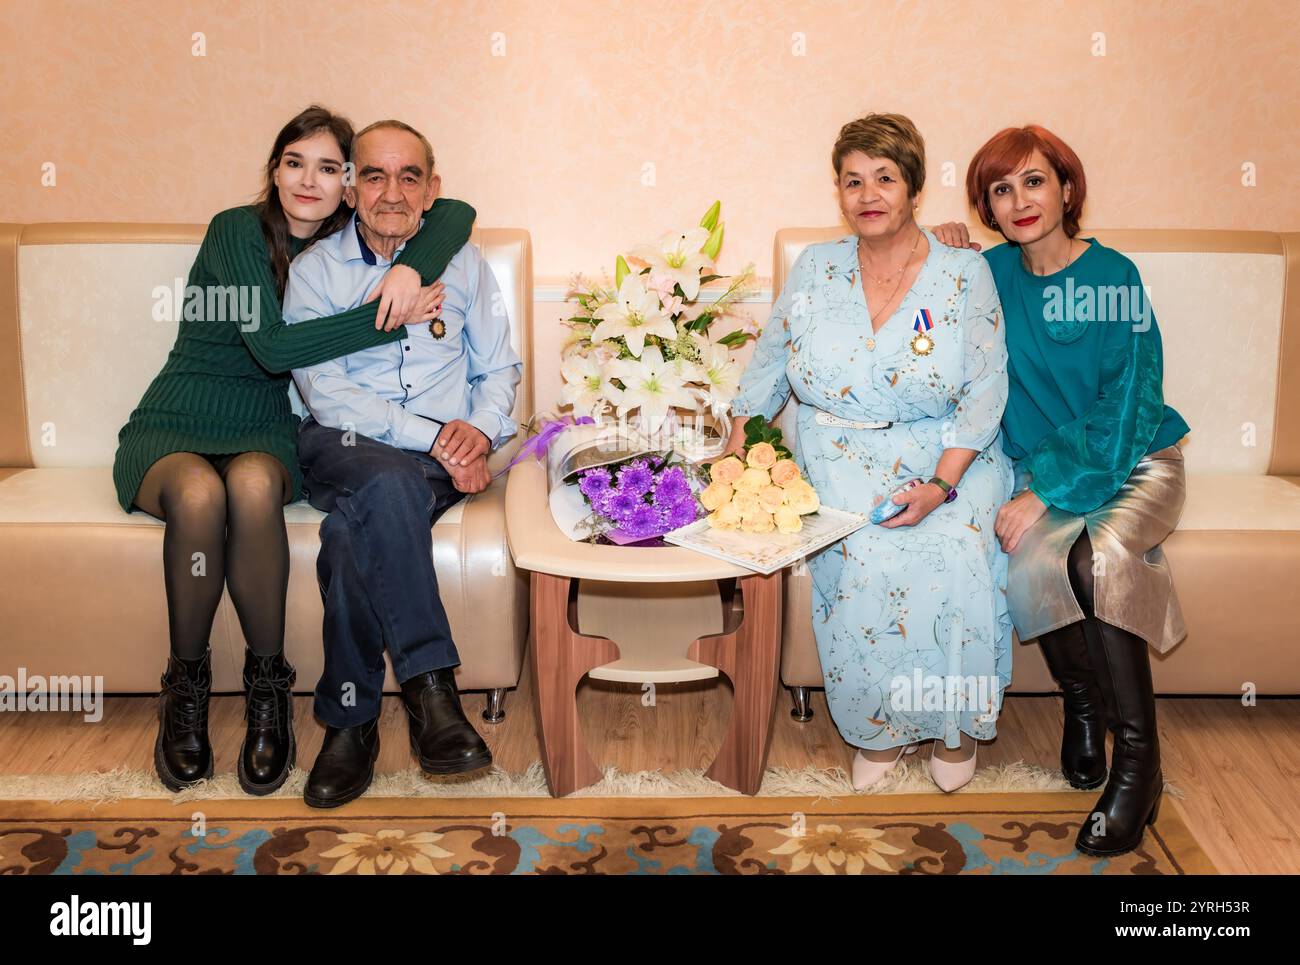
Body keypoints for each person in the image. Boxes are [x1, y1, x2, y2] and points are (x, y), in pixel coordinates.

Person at [113, 105, 475, 795]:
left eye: (329, 167)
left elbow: (454, 210)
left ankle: (266, 687)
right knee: (199, 495)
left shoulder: (351, 235)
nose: (309, 180)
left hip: (264, 428)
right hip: (181, 416)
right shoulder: (235, 231)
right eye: (293, 162)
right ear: (273, 170)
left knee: (250, 490)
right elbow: (273, 348)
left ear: (347, 185)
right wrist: (387, 315)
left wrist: (406, 272)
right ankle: (185, 687)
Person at [725, 113, 1013, 794]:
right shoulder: (816, 267)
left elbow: (984, 387)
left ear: (912, 186)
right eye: (852, 180)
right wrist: (737, 449)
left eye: (884, 176)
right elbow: (769, 364)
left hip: (951, 452)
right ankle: (878, 727)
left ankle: (957, 724)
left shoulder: (962, 272)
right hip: (839, 448)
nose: (868, 193)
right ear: (839, 192)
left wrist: (941, 486)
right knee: (868, 548)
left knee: (960, 547)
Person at [942, 123, 1190, 855]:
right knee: (1033, 559)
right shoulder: (989, 275)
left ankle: (1138, 763)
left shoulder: (1115, 279)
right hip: (1038, 469)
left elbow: (1129, 405)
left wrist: (1045, 489)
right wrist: (941, 239)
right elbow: (911, 273)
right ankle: (1082, 707)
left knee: (1098, 560)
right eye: (1000, 188)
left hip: (1138, 457)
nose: (1019, 200)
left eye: (1034, 180)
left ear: (1066, 187)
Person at [284, 120, 522, 808]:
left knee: (350, 532)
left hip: (435, 456)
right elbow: (324, 391)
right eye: (376, 175)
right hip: (343, 443)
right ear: (353, 188)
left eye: (409, 176)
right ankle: (432, 695)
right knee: (383, 478)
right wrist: (436, 437)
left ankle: (349, 723)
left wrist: (476, 431)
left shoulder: (466, 264)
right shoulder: (316, 272)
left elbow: (499, 367)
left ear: (432, 190)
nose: (393, 192)